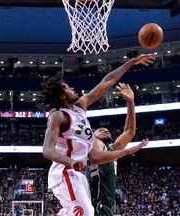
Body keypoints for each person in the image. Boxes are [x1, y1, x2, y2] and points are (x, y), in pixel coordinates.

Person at [37, 54, 155, 216]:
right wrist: (70, 161)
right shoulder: (58, 115)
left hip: (78, 175)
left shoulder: (80, 107)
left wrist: (131, 62)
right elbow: (47, 150)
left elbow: (107, 82)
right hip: (65, 172)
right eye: (68, 88)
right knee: (85, 212)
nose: (72, 89)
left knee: (78, 211)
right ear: (62, 96)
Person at [87, 82, 149, 216]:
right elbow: (95, 157)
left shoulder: (111, 148)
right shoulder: (96, 143)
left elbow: (130, 131)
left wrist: (131, 102)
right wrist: (127, 151)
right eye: (100, 130)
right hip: (96, 205)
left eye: (107, 129)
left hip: (104, 206)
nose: (105, 130)